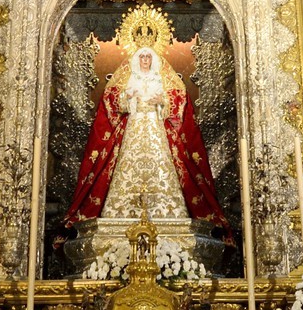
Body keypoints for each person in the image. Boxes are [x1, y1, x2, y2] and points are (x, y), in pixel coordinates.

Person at [64, 13, 230, 236]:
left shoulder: (162, 78)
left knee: (161, 164)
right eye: (141, 57)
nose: (144, 60)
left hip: (154, 128)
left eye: (148, 57)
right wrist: (128, 98)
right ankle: (121, 213)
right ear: (136, 58)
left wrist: (162, 102)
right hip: (133, 128)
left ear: (153, 58)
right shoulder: (126, 77)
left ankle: (167, 212)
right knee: (128, 166)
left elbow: (178, 101)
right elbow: (111, 102)